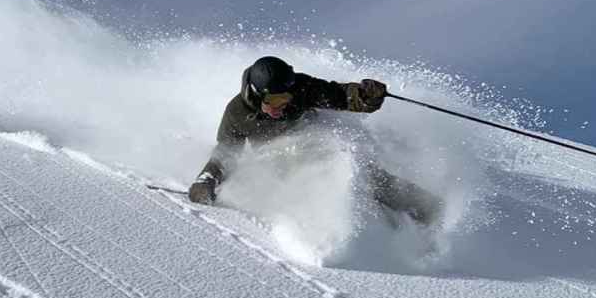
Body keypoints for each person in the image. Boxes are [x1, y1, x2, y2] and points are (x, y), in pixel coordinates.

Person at [188, 56, 444, 225]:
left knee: (357, 171)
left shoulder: (302, 87)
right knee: (311, 181)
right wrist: (206, 180)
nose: (281, 106)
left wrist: (367, 96)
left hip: (315, 142)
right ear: (256, 95)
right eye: (274, 101)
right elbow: (226, 154)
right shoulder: (237, 114)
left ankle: (425, 207)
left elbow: (342, 96)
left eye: (285, 99)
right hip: (278, 162)